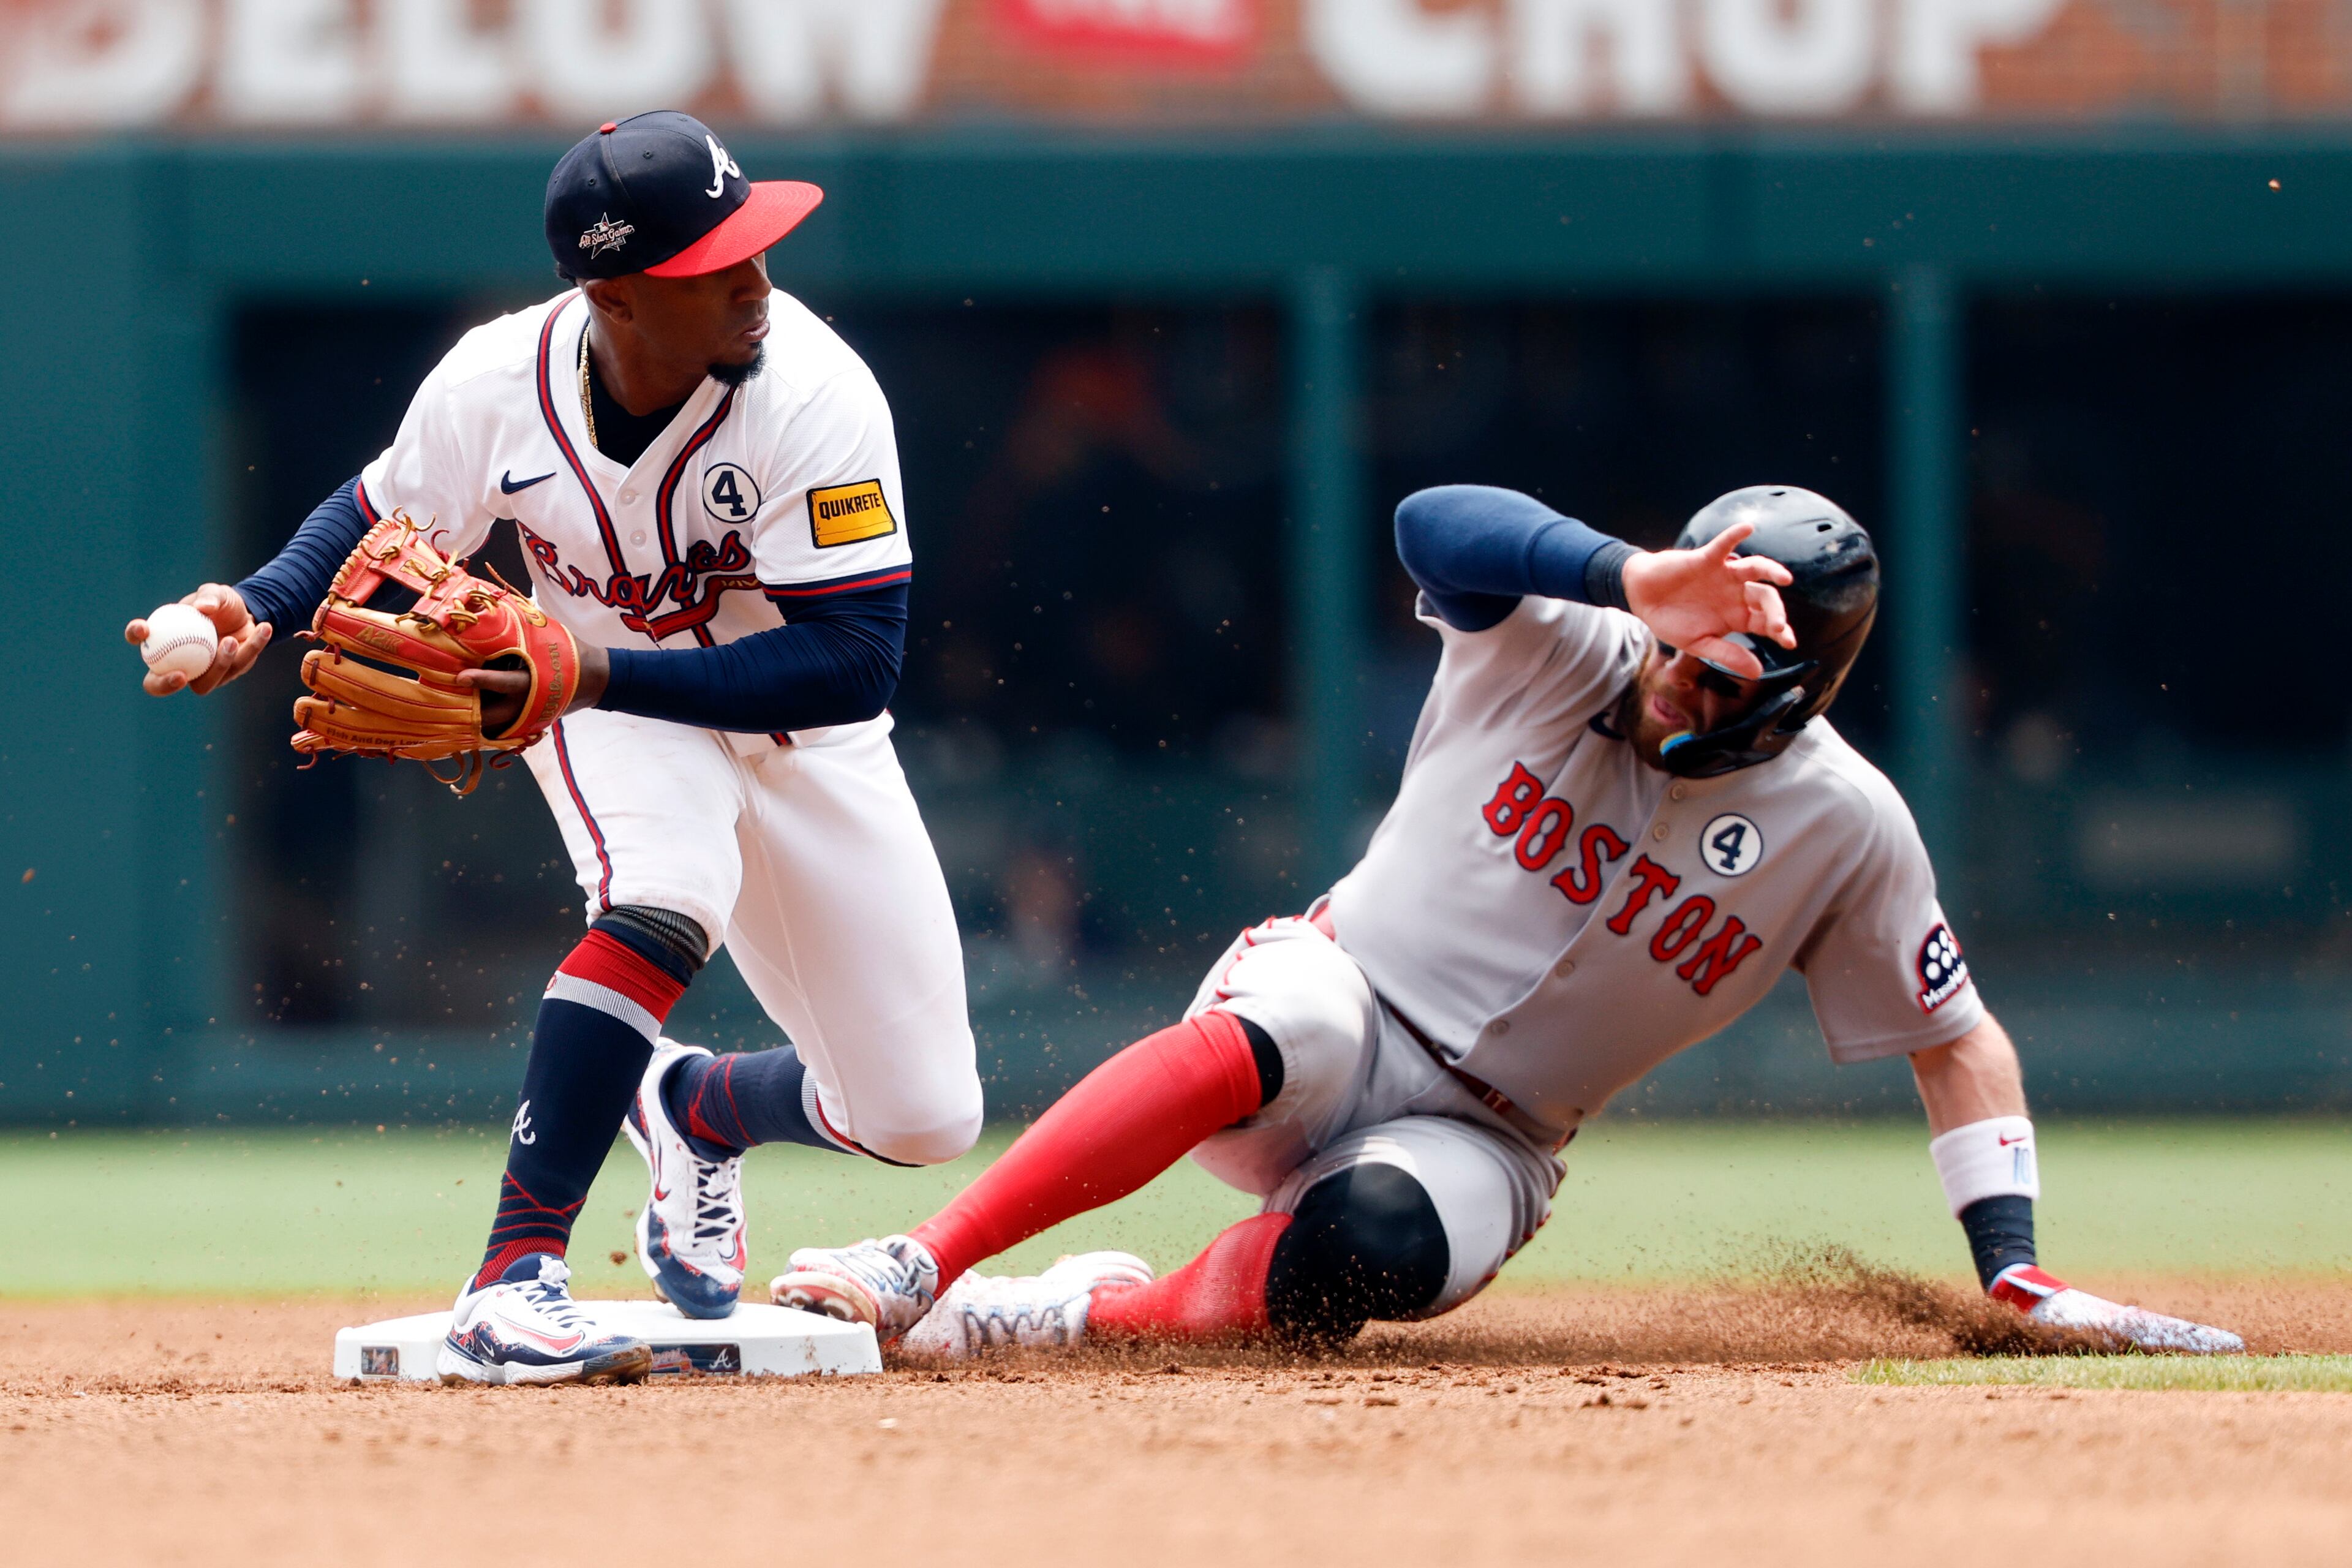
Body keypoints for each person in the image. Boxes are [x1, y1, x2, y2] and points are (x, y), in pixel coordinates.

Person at [764, 483, 2242, 1359]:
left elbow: (1957, 1039)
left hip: (1493, 1137)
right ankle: (928, 1257)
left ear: (1802, 693)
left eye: (1726, 672)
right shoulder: (1573, 631)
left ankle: (1085, 1315)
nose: (1679, 676)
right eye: (1683, 637)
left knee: (1374, 1250)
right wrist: (1632, 578)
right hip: (1339, 1000)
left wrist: (2015, 1264)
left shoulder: (1845, 823)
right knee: (1294, 1020)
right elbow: (1435, 521)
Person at [123, 111, 981, 1384]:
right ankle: (514, 1273)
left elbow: (858, 658)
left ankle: (694, 1107)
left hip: (792, 721)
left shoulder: (815, 390)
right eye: (716, 263)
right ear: (614, 295)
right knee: (665, 891)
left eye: (755, 246)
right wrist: (252, 602)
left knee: (922, 1116)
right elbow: (375, 508)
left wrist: (603, 664)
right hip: (598, 704)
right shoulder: (492, 383)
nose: (757, 280)